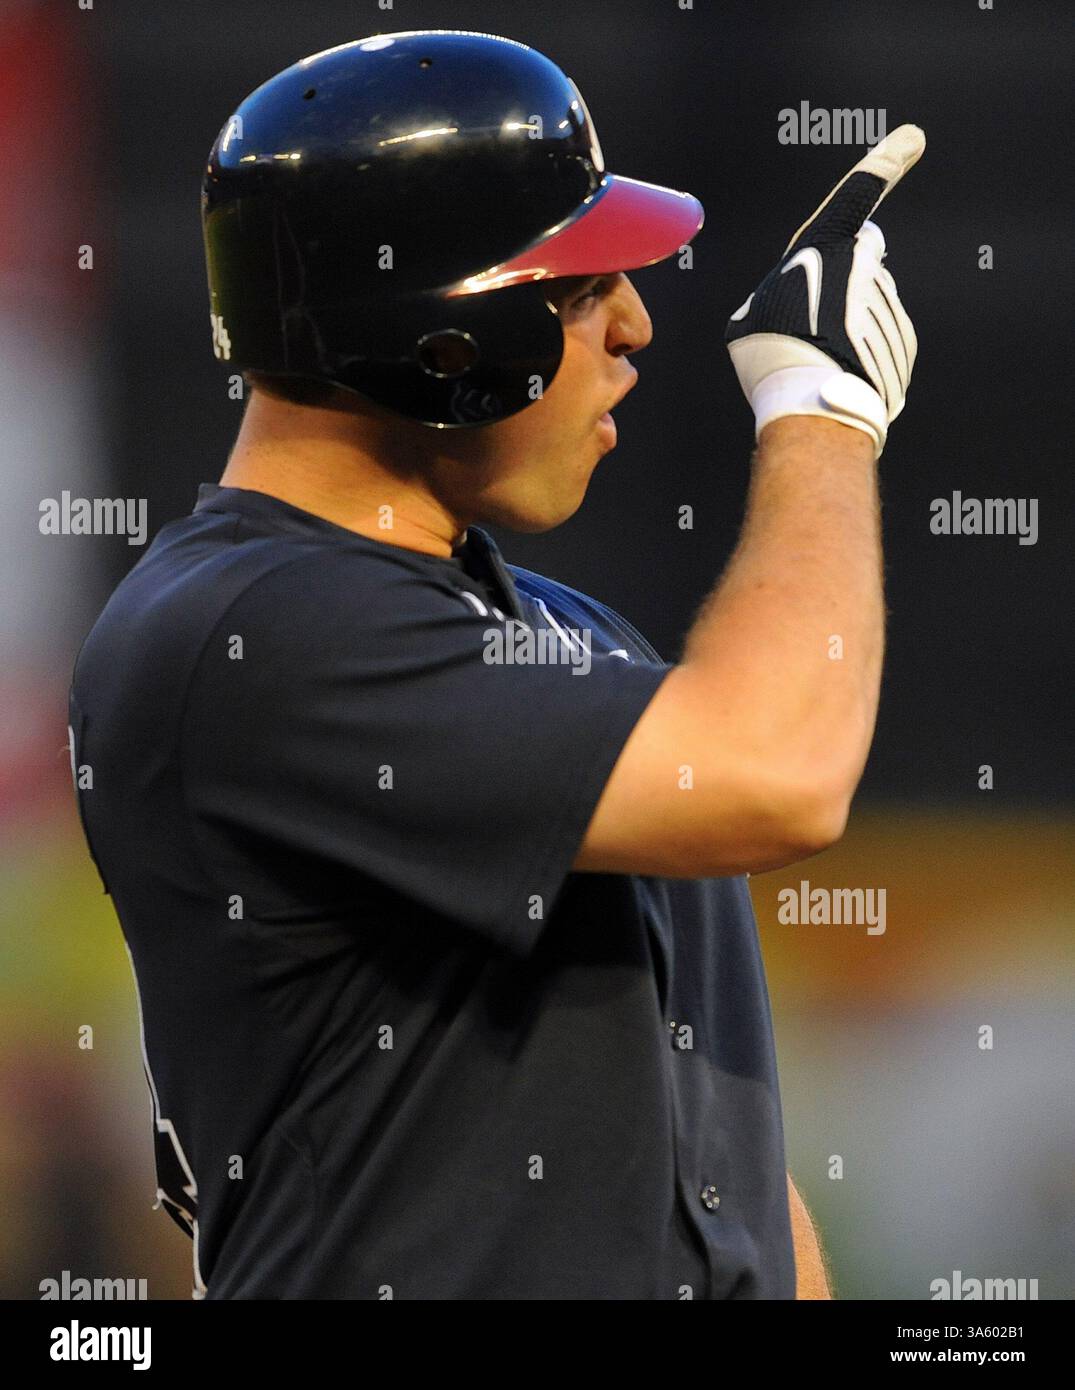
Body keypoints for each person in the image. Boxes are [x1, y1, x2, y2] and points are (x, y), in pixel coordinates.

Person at [68, 30, 921, 1299]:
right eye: (579, 291)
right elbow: (779, 775)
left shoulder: (572, 639)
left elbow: (721, 1164)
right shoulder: (249, 630)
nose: (634, 325)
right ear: (440, 335)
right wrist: (819, 421)